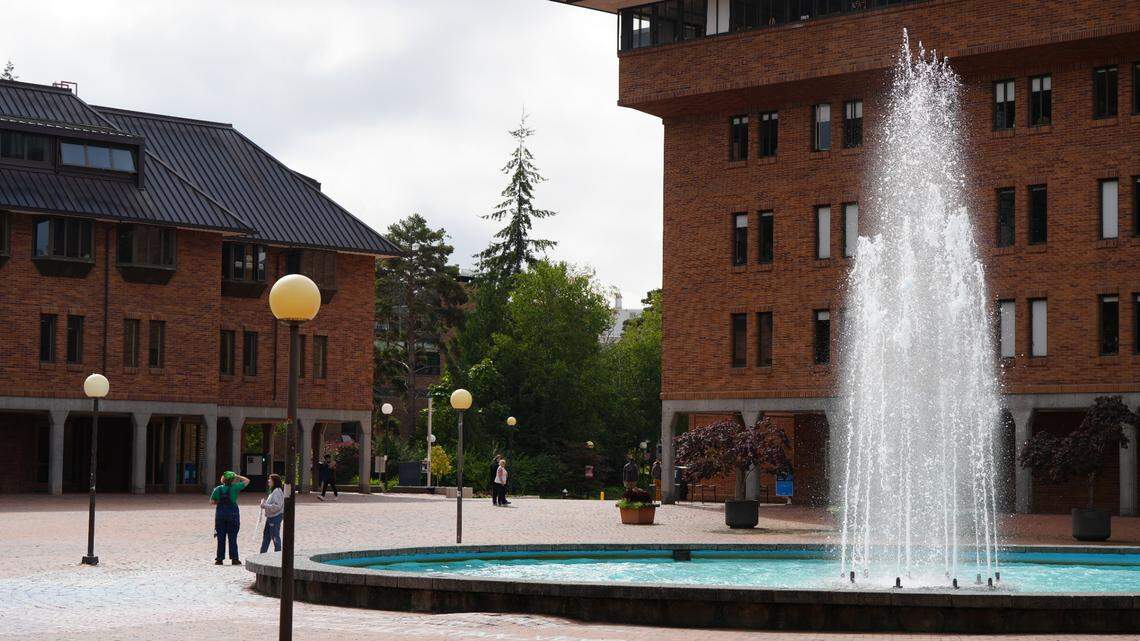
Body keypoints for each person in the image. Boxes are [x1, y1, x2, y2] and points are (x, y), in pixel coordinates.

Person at [210, 470, 250, 565]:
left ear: (223, 479)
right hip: (233, 515)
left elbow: (211, 502)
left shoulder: (217, 489)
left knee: (221, 538)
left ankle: (219, 559)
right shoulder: (235, 487)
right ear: (232, 480)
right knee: (232, 537)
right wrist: (237, 476)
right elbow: (247, 480)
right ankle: (234, 559)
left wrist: (219, 502)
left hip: (220, 515)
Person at [259, 473, 284, 553]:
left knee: (275, 536)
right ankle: (262, 554)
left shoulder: (277, 491)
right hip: (270, 517)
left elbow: (277, 506)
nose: (268, 481)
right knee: (266, 536)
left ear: (274, 481)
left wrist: (265, 505)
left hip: (275, 517)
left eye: (270, 479)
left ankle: (278, 554)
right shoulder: (273, 491)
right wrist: (265, 503)